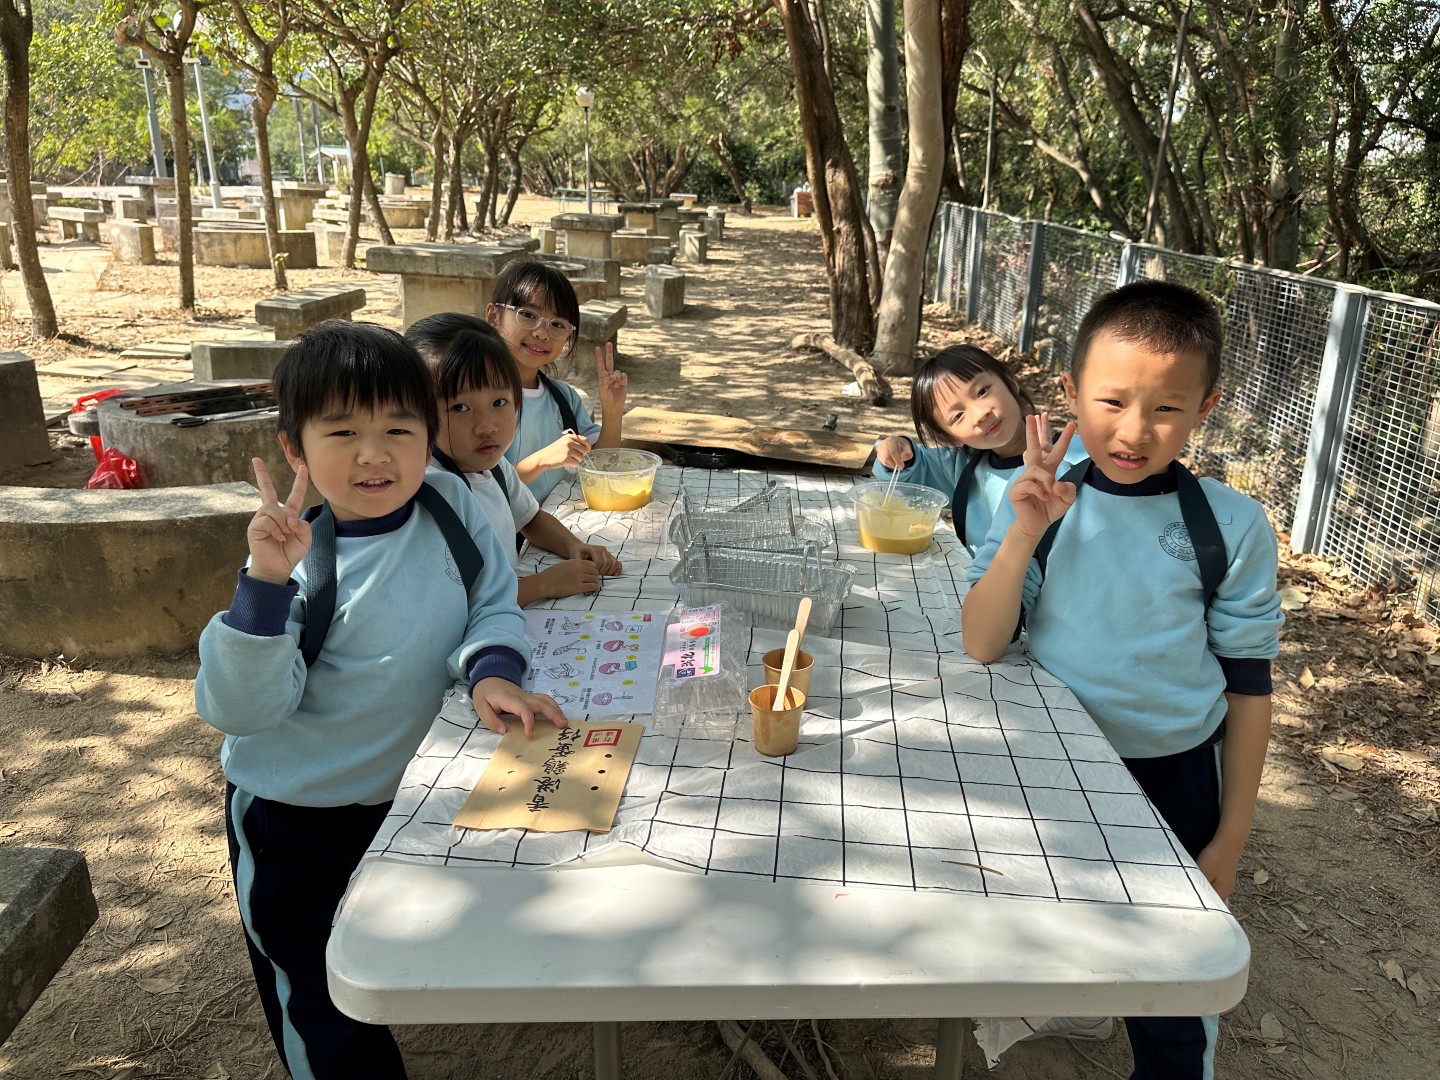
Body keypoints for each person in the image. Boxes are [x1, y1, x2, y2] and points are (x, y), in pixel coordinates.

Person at [194, 321, 566, 1080]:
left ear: (430, 436)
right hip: (296, 813)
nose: (374, 454)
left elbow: (492, 602)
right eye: (342, 432)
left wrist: (493, 669)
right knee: (315, 984)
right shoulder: (297, 561)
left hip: (405, 795)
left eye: (399, 428)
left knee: (384, 940)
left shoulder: (449, 504)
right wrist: (263, 584)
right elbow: (240, 711)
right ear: (295, 447)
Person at [962, 281, 1284, 1079]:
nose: (1135, 431)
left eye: (1167, 408)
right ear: (1070, 392)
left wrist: (1230, 837)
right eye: (1112, 401)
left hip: (1175, 772)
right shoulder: (1038, 500)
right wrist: (1023, 534)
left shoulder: (1231, 524)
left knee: (1174, 971)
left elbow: (1249, 688)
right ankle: (1079, 999)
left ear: (1206, 407)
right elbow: (982, 642)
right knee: (1057, 909)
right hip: (1056, 764)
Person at [406, 311, 624, 605]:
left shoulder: (495, 468)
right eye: (460, 408)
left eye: (499, 402)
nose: (487, 426)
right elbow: (460, 602)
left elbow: (530, 518)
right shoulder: (433, 493)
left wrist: (573, 545)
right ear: (418, 414)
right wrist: (543, 584)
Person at [872, 344, 1086, 551]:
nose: (980, 413)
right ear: (949, 438)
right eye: (958, 416)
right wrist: (896, 452)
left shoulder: (1083, 456)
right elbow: (910, 476)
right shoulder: (963, 468)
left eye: (982, 391)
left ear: (1010, 380)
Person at [485, 258, 628, 504]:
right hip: (507, 527)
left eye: (557, 324)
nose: (542, 333)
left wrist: (613, 411)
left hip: (562, 522)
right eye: (527, 315)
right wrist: (541, 461)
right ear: (494, 316)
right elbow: (481, 490)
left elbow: (603, 464)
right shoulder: (477, 401)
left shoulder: (564, 398)